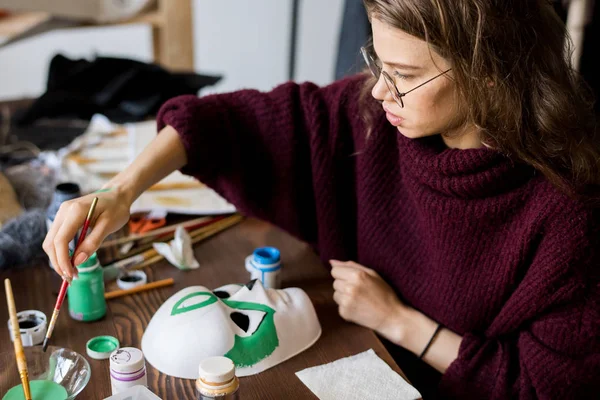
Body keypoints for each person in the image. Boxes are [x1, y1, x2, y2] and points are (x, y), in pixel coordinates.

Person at [43, 0, 600, 398]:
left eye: (403, 74)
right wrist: (119, 193)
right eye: (377, 62)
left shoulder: (566, 215)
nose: (380, 89)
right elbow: (225, 124)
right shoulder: (370, 116)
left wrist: (400, 322)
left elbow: (540, 384)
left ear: (489, 70)